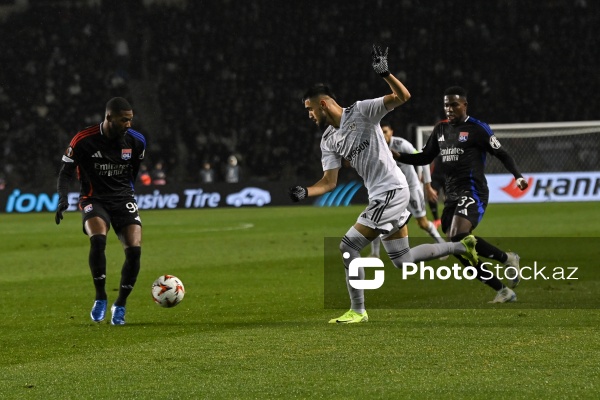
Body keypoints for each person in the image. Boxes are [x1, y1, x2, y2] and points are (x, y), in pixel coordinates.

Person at [288, 46, 479, 324]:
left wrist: (386, 73)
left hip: (391, 191)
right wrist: (306, 191)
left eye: (309, 109)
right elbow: (329, 183)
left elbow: (403, 96)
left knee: (347, 247)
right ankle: (462, 247)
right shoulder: (328, 140)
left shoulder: (362, 111)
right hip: (383, 194)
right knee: (403, 260)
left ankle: (358, 310)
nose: (308, 115)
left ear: (323, 104)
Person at [395, 86, 528, 303]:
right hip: (452, 195)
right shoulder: (440, 129)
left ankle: (506, 261)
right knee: (459, 248)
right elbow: (425, 157)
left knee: (457, 236)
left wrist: (518, 177)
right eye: (446, 104)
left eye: (454, 104)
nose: (449, 108)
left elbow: (501, 153)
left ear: (465, 105)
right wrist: (398, 156)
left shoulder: (478, 129)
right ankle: (503, 285)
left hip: (474, 190)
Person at [55, 97, 147, 325]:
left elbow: (133, 172)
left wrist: (126, 193)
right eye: (124, 120)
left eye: (131, 119)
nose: (129, 124)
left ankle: (121, 304)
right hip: (93, 198)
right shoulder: (83, 140)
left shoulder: (137, 142)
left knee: (134, 250)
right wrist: (63, 199)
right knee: (98, 240)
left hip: (123, 198)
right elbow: (66, 172)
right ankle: (101, 297)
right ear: (109, 117)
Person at [369, 121, 445, 259]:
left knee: (422, 223)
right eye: (380, 132)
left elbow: (424, 160)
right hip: (394, 191)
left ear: (391, 132)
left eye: (385, 131)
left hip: (412, 188)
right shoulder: (377, 148)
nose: (382, 134)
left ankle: (442, 245)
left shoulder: (401, 145)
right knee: (378, 218)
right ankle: (375, 254)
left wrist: (427, 186)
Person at [427, 154, 445, 228]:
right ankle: (436, 219)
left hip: (449, 174)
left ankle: (450, 218)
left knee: (449, 199)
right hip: (436, 174)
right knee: (431, 196)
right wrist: (425, 173)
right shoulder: (437, 144)